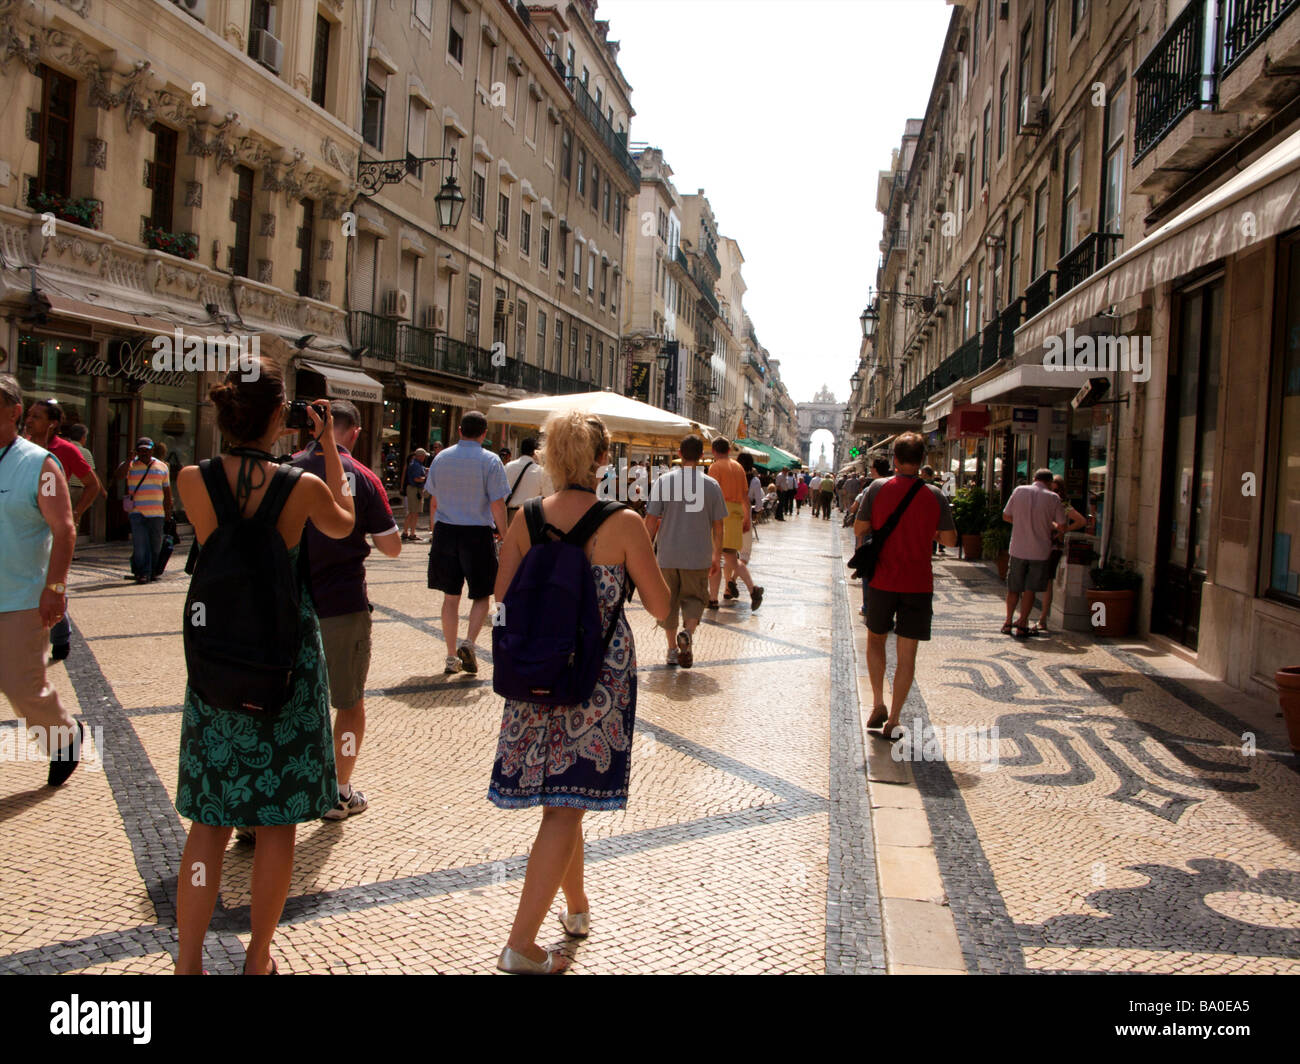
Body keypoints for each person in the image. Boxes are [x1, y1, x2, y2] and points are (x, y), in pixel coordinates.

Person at [174, 361, 355, 975]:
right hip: (286, 661)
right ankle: (258, 957)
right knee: (276, 824)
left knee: (209, 823)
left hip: (218, 658)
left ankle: (189, 961)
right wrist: (328, 445)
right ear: (280, 418)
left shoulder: (190, 481)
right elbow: (345, 523)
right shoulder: (301, 487)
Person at [490, 411, 670, 973]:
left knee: (564, 801)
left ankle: (576, 906)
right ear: (601, 460)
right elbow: (662, 607)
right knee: (566, 808)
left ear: (549, 456)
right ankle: (519, 947)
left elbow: (500, 602)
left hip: (536, 670)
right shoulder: (623, 522)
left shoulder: (526, 518)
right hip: (597, 677)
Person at [289, 400, 401, 822]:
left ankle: (272, 800)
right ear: (354, 432)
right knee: (349, 702)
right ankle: (338, 791)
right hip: (342, 602)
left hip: (289, 600)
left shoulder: (286, 469)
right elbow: (391, 547)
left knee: (287, 700)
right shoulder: (365, 478)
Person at [0, 375, 82, 785]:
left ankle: (65, 736)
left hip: (21, 598)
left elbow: (64, 529)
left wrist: (56, 587)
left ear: (13, 412)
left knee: (21, 688)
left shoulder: (40, 464)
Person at [858, 433, 957, 741]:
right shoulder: (935, 495)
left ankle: (877, 702)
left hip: (882, 581)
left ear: (896, 460)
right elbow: (950, 540)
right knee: (907, 654)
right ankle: (895, 719)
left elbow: (861, 529)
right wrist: (927, 532)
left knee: (876, 640)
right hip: (917, 583)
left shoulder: (877, 488)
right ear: (922, 461)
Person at [424, 410, 509, 675]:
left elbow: (434, 501)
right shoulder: (491, 460)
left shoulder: (441, 457)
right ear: (484, 434)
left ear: (459, 430)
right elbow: (497, 504)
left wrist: (435, 531)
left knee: (451, 597)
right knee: (482, 594)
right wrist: (505, 535)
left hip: (446, 531)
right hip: (476, 533)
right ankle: (469, 644)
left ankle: (451, 657)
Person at [645, 434, 726, 667]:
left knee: (667, 602)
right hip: (698, 555)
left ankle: (671, 649)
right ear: (702, 456)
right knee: (695, 598)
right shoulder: (711, 485)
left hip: (668, 554)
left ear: (679, 454)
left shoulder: (664, 481)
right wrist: (716, 555)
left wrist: (644, 548)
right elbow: (719, 527)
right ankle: (688, 633)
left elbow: (651, 521)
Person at [1002, 468, 1068, 638]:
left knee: (1013, 588)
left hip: (1017, 548)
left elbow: (1006, 516)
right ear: (1049, 482)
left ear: (1034, 479)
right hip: (1039, 551)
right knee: (1030, 589)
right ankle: (1022, 623)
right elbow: (1062, 526)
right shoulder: (1053, 498)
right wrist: (1049, 525)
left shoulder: (1019, 490)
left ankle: (1008, 622)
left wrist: (1023, 522)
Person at [706, 438, 763, 611]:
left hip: (720, 514)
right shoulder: (738, 467)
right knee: (732, 558)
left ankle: (713, 599)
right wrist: (746, 518)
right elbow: (745, 497)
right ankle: (753, 589)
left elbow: (711, 494)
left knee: (715, 558)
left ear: (714, 451)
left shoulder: (714, 467)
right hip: (736, 513)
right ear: (729, 450)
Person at [112, 438, 173, 584]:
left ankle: (152, 571)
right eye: (141, 450)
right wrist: (128, 460)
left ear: (152, 450)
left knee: (155, 544)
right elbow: (118, 476)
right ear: (136, 451)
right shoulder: (130, 465)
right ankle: (142, 573)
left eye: (147, 450)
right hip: (137, 512)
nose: (144, 453)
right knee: (140, 544)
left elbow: (167, 491)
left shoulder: (162, 466)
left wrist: (168, 511)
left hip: (157, 513)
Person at [1031, 475, 1087, 634]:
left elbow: (1081, 521)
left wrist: (1061, 530)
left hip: (1052, 547)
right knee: (1036, 580)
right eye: (1050, 488)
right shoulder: (1047, 501)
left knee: (1047, 583)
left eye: (1056, 490)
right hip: (1039, 544)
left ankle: (1042, 619)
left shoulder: (1062, 504)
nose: (1053, 492)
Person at [503, 437, 552, 525]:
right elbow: (548, 496)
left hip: (507, 516)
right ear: (535, 452)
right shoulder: (541, 471)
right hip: (530, 517)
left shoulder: (508, 467)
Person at [402, 448, 429, 541]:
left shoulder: (417, 464)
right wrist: (426, 479)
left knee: (414, 512)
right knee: (412, 512)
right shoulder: (416, 465)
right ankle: (407, 533)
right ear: (420, 456)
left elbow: (423, 470)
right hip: (414, 489)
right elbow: (416, 479)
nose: (425, 457)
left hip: (415, 489)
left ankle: (410, 533)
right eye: (424, 456)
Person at [921, 466, 947, 556]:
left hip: (925, 510)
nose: (921, 474)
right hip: (936, 509)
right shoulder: (938, 484)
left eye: (922, 472)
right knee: (935, 528)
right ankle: (934, 548)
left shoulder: (921, 483)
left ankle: (931, 548)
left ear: (925, 473)